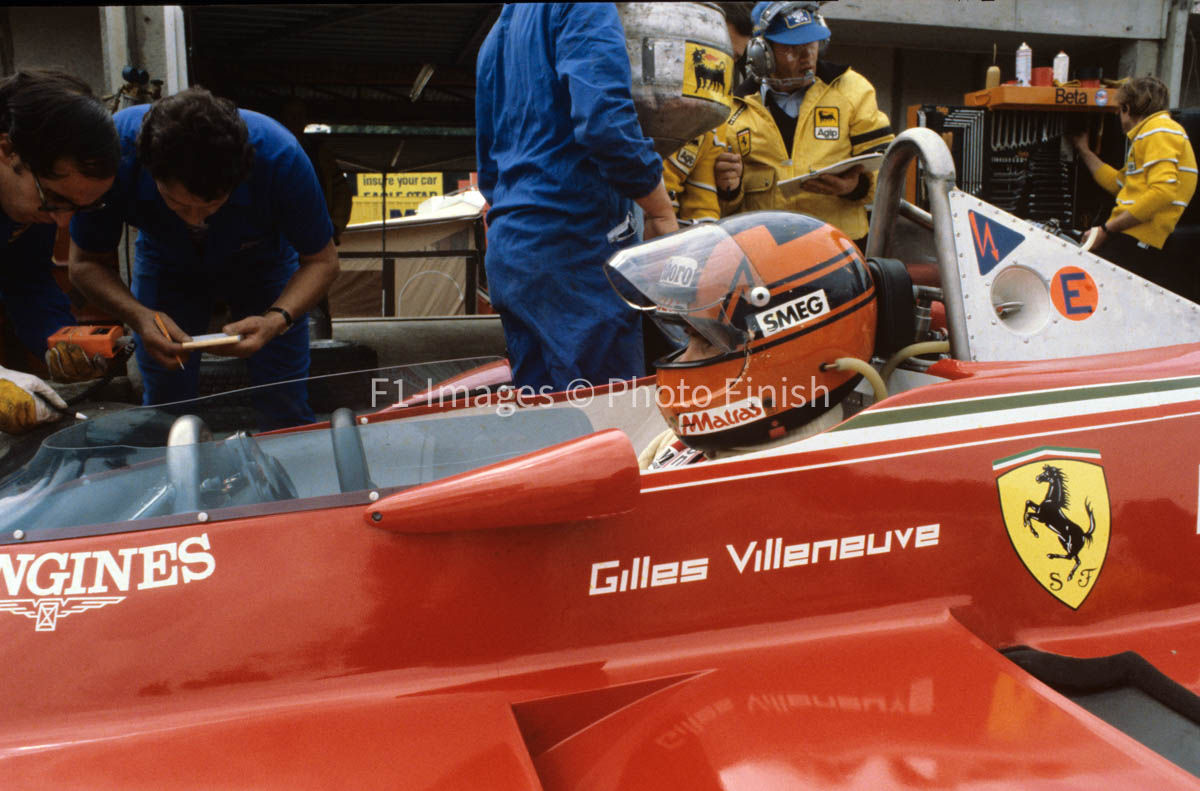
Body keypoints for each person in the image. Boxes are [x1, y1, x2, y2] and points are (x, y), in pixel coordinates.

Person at [69, 87, 338, 427]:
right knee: (166, 395)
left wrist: (276, 319)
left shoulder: (280, 157)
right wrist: (138, 316)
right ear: (149, 171)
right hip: (166, 261)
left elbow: (322, 261)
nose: (195, 219)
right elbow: (84, 263)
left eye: (212, 204)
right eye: (178, 204)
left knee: (282, 388)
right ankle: (170, 466)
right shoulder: (114, 153)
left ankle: (289, 455)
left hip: (262, 260)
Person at [475, 3, 679, 393]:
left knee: (550, 424)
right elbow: (606, 124)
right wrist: (659, 210)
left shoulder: (495, 38)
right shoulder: (582, 7)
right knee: (604, 423)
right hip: (575, 248)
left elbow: (489, 169)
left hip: (512, 252)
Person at [602, 211, 877, 469]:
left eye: (707, 342)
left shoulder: (788, 483)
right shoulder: (681, 446)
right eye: (689, 338)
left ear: (786, 347)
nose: (684, 358)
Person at [0, 69, 121, 433]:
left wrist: (59, 340)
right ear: (6, 150)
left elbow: (26, 283)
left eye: (80, 209)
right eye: (54, 199)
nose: (63, 223)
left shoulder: (29, 210)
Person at [722, 1, 894, 249]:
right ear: (762, 53)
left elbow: (889, 171)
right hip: (764, 252)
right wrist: (730, 188)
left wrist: (856, 186)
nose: (807, 58)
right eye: (792, 49)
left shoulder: (853, 90)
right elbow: (724, 205)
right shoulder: (734, 111)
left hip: (838, 249)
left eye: (812, 45)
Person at [1070, 76, 1197, 297]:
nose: (1118, 117)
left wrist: (1106, 230)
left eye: (1119, 111)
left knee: (1085, 292)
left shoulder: (1158, 131)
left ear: (1126, 108)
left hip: (1136, 239)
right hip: (1134, 238)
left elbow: (1163, 192)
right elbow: (1119, 184)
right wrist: (1084, 151)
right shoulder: (1156, 132)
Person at [662, 2, 754, 223]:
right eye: (720, 49)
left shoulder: (716, 114)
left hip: (662, 241)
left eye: (735, 57)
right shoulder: (642, 90)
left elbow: (703, 207)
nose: (724, 63)